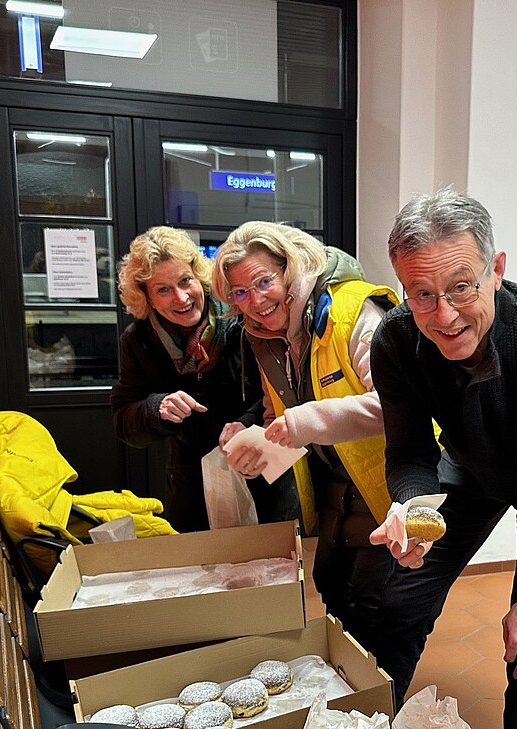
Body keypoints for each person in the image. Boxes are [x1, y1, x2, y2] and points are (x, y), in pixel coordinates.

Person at [365, 189, 517, 728]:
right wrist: (412, 511)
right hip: (470, 467)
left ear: (496, 270)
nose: (444, 315)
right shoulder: (396, 341)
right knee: (399, 605)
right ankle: (369, 719)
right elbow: (409, 450)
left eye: (461, 287)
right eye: (422, 294)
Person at [208, 221, 398, 650]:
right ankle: (347, 676)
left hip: (386, 481)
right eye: (240, 293)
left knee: (372, 604)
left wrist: (304, 421)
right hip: (334, 484)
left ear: (289, 268)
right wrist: (251, 440)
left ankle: (372, 687)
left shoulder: (355, 311)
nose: (256, 301)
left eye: (264, 282)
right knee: (328, 584)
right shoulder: (261, 337)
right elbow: (276, 414)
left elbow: (396, 405)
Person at [110, 226, 295, 533]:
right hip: (192, 483)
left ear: (199, 277)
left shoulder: (243, 317)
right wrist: (157, 408)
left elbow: (281, 392)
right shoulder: (138, 340)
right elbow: (124, 422)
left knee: (271, 557)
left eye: (185, 280)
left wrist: (247, 424)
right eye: (163, 290)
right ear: (147, 298)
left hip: (261, 470)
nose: (181, 297)